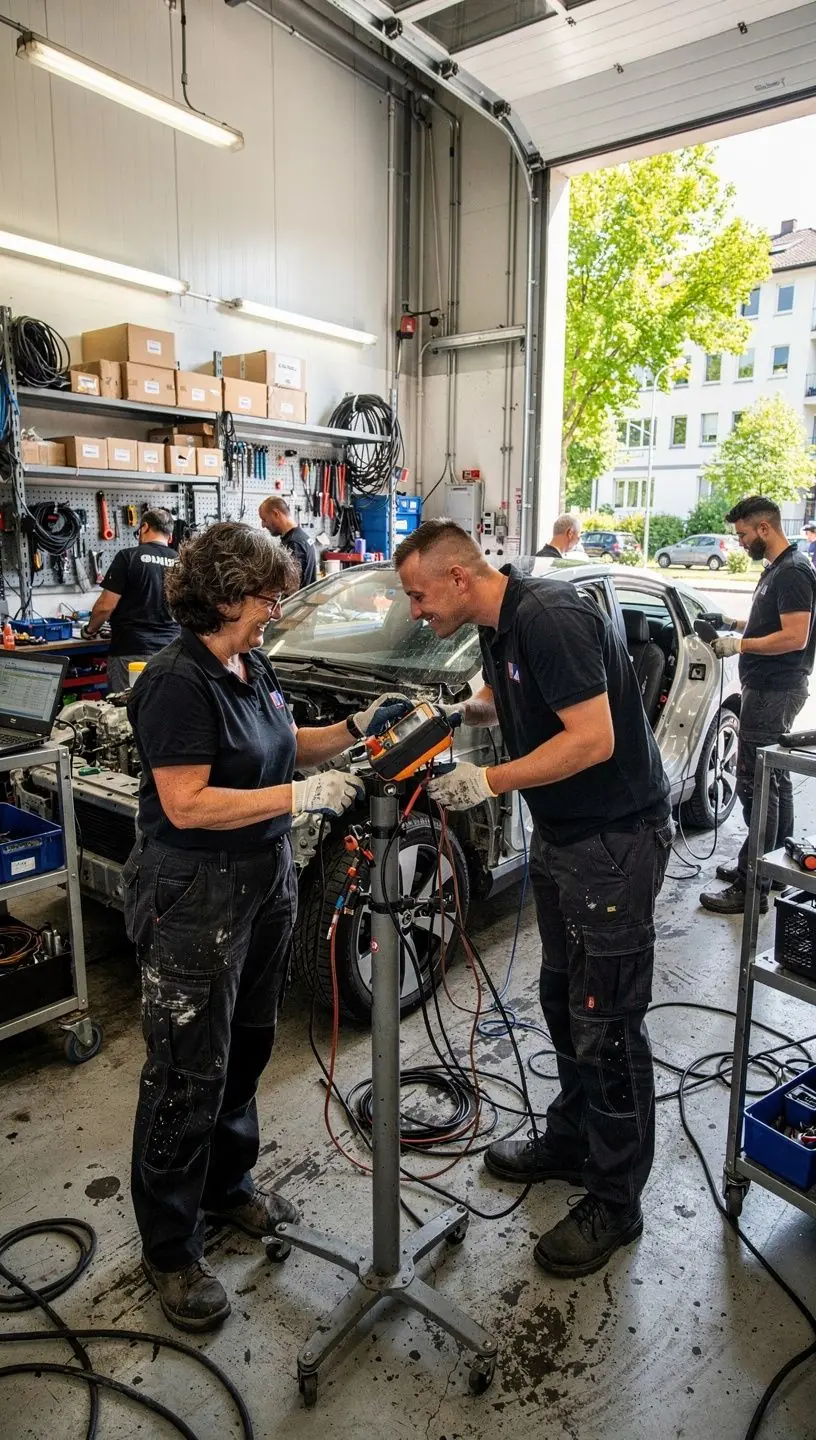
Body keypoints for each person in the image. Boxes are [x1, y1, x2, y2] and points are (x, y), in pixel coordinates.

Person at [126, 522, 406, 1333]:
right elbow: (185, 802)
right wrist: (295, 800)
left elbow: (285, 747)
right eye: (264, 597)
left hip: (262, 880)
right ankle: (171, 1248)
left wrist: (357, 732)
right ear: (221, 596)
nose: (274, 609)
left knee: (248, 1043)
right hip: (193, 894)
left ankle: (228, 1187)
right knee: (187, 1068)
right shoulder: (179, 680)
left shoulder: (250, 663)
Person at [394, 520, 672, 1279]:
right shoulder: (500, 624)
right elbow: (508, 694)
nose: (416, 611)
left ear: (457, 577)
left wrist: (490, 779)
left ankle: (616, 1199)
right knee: (562, 998)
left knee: (607, 1021)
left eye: (419, 595)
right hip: (564, 839)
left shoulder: (549, 615)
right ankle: (575, 1138)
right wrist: (457, 714)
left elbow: (594, 739)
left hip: (613, 842)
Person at [699, 496, 816, 915]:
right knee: (774, 782)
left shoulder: (794, 572)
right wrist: (732, 625)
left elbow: (794, 636)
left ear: (764, 528)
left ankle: (752, 888)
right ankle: (768, 870)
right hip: (766, 688)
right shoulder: (779, 570)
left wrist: (739, 645)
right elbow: (772, 622)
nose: (740, 541)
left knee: (757, 785)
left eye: (743, 534)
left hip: (775, 691)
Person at [83, 508, 179, 693]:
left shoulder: (128, 557)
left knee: (123, 714)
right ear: (169, 535)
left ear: (144, 527)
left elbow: (105, 606)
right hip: (172, 652)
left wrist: (90, 630)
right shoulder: (180, 561)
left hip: (132, 652)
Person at [258, 496, 316, 587]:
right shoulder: (302, 537)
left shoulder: (293, 543)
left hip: (296, 601)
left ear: (275, 513)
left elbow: (290, 585)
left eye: (264, 520)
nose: (263, 525)